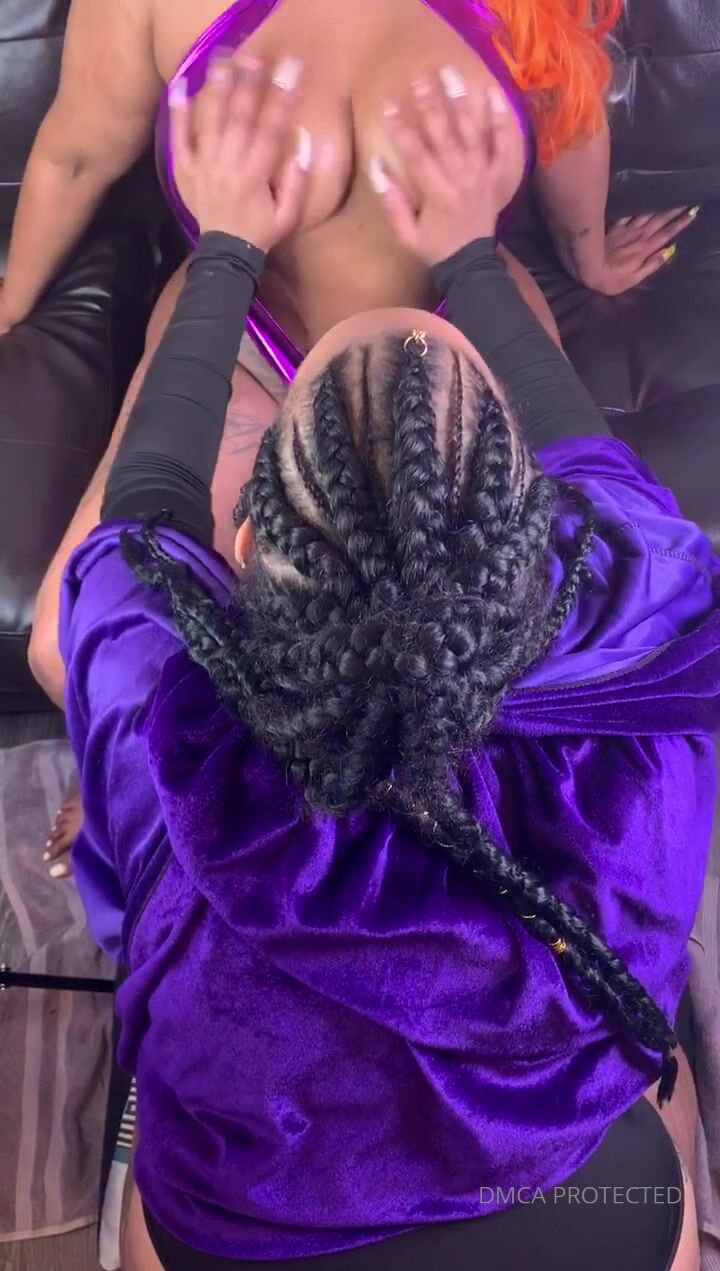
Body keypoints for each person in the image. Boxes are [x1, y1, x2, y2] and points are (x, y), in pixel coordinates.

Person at [48, 56, 716, 1271]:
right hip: (582, 1217)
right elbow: (604, 470)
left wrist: (226, 248)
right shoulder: (655, 667)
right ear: (544, 539)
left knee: (163, 1178)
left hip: (249, 1229)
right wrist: (470, 255)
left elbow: (133, 523)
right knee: (643, 1086)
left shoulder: (168, 721)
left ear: (241, 549)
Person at [28, 0, 696, 876]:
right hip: (245, 335)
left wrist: (589, 258)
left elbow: (570, 117)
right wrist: (7, 307)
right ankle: (146, 766)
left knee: (524, 635)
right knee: (59, 644)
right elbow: (74, 154)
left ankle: (437, 823)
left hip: (455, 329)